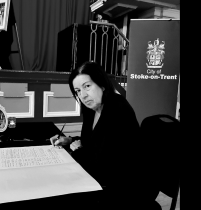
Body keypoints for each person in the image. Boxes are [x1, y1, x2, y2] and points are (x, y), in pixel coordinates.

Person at [50, 61, 160, 209]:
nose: (82, 95)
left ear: (102, 84)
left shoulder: (117, 110)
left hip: (128, 188)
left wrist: (78, 150)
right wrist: (70, 140)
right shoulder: (92, 107)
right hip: (107, 180)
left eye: (87, 86)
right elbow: (93, 142)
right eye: (77, 91)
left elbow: (101, 167)